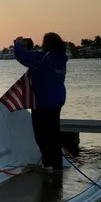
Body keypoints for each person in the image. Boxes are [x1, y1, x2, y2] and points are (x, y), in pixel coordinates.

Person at [13, 33, 68, 171]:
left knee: (41, 134)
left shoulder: (45, 58)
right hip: (57, 101)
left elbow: (24, 57)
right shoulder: (60, 58)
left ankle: (49, 164)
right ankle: (57, 166)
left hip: (43, 103)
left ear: (47, 43)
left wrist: (18, 44)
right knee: (53, 133)